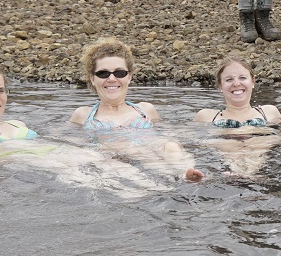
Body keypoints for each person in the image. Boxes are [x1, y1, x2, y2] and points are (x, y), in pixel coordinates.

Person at [69, 37, 195, 179]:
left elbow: (167, 133)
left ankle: (185, 174)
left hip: (149, 154)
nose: (111, 79)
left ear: (129, 76)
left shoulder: (146, 109)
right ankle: (162, 183)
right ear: (92, 78)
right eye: (103, 73)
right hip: (111, 163)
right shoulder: (83, 114)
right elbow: (68, 141)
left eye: (119, 73)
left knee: (171, 145)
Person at [195, 57, 281, 128]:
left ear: (253, 82)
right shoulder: (206, 117)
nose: (237, 84)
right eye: (229, 79)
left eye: (242, 78)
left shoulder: (270, 112)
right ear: (220, 85)